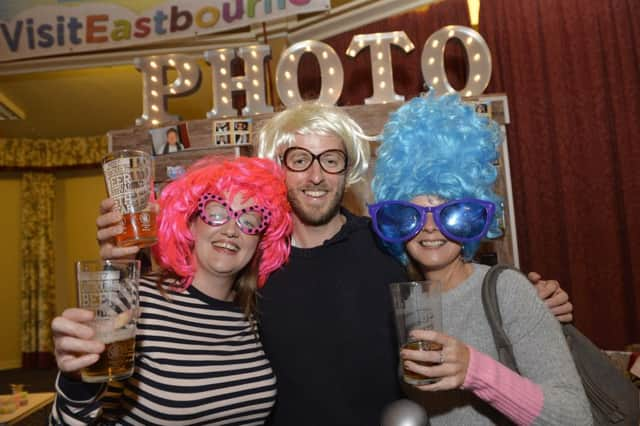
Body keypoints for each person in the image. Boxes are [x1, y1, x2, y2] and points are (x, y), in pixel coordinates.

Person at [96, 103, 573, 425]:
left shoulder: (389, 244)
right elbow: (186, 286)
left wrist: (530, 299)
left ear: (348, 172)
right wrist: (119, 258)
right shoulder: (252, 257)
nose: (317, 174)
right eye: (299, 159)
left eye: (331, 160)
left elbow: (453, 273)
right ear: (277, 169)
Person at [370, 93, 591, 424]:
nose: (430, 228)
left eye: (451, 213)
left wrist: (474, 370)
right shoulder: (408, 301)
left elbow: (575, 417)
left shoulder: (507, 290)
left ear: (473, 217)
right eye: (413, 214)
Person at [50, 157, 292, 425]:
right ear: (189, 223)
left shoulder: (255, 317)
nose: (231, 230)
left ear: (260, 240)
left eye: (249, 219)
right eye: (216, 213)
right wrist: (76, 383)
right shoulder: (136, 299)